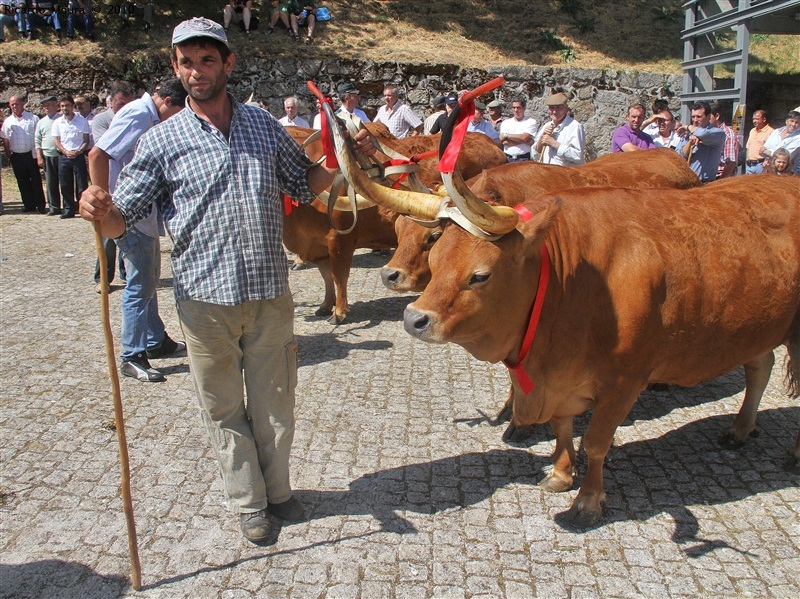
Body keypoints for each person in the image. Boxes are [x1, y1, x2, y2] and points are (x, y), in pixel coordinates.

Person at [79, 17, 376, 545]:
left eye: (207, 59)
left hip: (268, 294)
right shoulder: (162, 141)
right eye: (186, 61)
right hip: (203, 300)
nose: (197, 71)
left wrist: (342, 167)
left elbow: (301, 180)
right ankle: (248, 502)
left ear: (228, 63)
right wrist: (97, 209)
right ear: (175, 67)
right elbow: (123, 217)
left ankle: (279, 492)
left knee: (276, 401)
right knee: (222, 408)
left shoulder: (263, 124)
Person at [89, 78, 188, 381]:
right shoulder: (140, 115)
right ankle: (132, 355)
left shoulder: (146, 114)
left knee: (147, 278)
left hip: (141, 213)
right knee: (139, 284)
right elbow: (98, 154)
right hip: (129, 214)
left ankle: (156, 340)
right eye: (179, 112)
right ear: (168, 103)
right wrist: (101, 198)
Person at [1, 94, 46, 213]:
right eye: (12, 104)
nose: (14, 106)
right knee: (22, 181)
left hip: (31, 154)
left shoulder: (33, 118)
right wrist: (8, 154)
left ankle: (40, 205)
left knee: (36, 180)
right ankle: (28, 205)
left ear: (22, 104)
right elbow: (5, 139)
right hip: (16, 155)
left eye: (16, 103)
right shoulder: (8, 121)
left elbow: (39, 137)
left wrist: (39, 153)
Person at [52, 96, 90, 218]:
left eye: (67, 105)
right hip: (64, 156)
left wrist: (79, 151)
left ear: (73, 106)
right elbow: (56, 140)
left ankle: (83, 208)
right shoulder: (57, 122)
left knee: (81, 184)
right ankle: (68, 209)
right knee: (65, 184)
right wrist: (64, 151)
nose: (64, 108)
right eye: (62, 106)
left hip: (78, 156)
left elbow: (86, 140)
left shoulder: (82, 121)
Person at [674, 100, 726, 183]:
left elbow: (703, 134)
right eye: (693, 117)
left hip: (705, 184)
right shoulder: (687, 134)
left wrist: (687, 127)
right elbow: (679, 156)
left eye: (699, 117)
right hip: (687, 183)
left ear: (708, 117)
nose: (695, 120)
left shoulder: (717, 133)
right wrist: (690, 142)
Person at [533, 92, 585, 165]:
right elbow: (535, 155)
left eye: (558, 107)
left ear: (565, 108)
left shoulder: (575, 127)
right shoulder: (546, 126)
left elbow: (577, 156)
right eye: (551, 108)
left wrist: (554, 143)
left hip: (567, 174)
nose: (554, 111)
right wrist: (541, 139)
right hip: (548, 173)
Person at [34, 95, 62, 216]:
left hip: (62, 155)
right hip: (48, 155)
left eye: (48, 105)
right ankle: (54, 207)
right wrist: (39, 156)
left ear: (56, 105)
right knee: (51, 183)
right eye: (44, 106)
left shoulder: (63, 119)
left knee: (66, 183)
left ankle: (68, 206)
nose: (46, 108)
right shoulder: (41, 122)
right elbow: (37, 140)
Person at [499, 96, 538, 162]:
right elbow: (504, 142)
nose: (516, 110)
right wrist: (525, 141)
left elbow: (524, 137)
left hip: (524, 159)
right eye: (514, 108)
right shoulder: (505, 123)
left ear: (524, 108)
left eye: (518, 107)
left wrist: (506, 135)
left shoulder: (531, 122)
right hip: (508, 159)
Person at [709, 101, 739, 179]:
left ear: (717, 116)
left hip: (719, 179)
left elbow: (731, 163)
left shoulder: (728, 135)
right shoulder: (706, 132)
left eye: (708, 117)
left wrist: (721, 181)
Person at [744, 109, 773, 174]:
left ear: (764, 119)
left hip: (761, 165)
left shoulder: (771, 132)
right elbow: (748, 147)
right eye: (753, 119)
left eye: (757, 119)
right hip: (749, 165)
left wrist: (767, 162)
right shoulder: (752, 131)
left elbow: (772, 149)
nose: (754, 121)